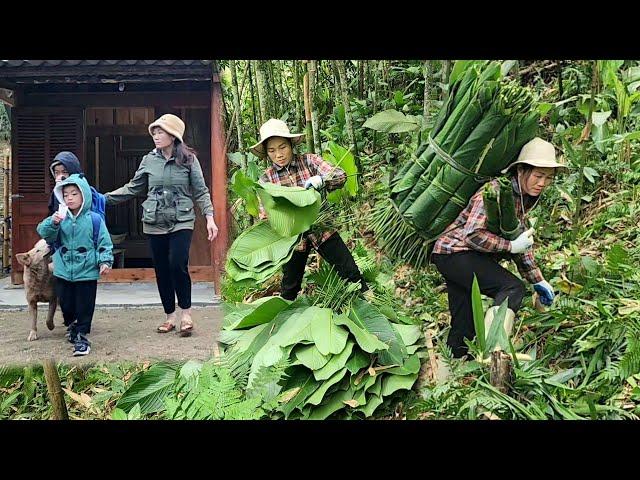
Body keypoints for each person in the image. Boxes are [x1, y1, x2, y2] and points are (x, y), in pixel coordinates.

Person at [431, 137, 566, 359]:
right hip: (455, 253)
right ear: (521, 171)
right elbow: (472, 234)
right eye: (538, 176)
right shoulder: (496, 191)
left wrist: (538, 280)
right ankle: (495, 351)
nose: (542, 183)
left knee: (464, 324)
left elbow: (521, 240)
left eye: (548, 178)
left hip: (457, 257)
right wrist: (510, 246)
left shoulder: (524, 198)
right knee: (512, 288)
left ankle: (452, 378)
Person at [104, 114, 218, 336]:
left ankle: (186, 313)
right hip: (154, 221)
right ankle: (170, 317)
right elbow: (133, 187)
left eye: (160, 132)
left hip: (181, 220)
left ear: (173, 135)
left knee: (177, 263)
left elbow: (201, 191)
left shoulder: (188, 160)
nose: (156, 136)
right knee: (162, 270)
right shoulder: (148, 160)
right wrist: (103, 198)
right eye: (154, 132)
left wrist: (210, 217)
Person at [250, 118, 366, 301]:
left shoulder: (309, 161)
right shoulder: (266, 180)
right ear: (266, 153)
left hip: (322, 229)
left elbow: (339, 175)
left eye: (282, 147)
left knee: (351, 274)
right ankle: (286, 323)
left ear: (291, 144)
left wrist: (322, 181)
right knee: (289, 289)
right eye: (272, 151)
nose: (278, 154)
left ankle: (370, 308)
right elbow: (266, 216)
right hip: (294, 239)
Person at [37, 174, 114, 356]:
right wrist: (53, 222)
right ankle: (71, 325)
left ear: (84, 196)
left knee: (85, 305)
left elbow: (104, 242)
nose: (69, 198)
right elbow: (43, 233)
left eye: (74, 194)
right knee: (66, 303)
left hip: (86, 270)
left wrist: (105, 260)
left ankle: (82, 335)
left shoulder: (94, 219)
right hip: (63, 269)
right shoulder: (59, 218)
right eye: (66, 195)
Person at [48, 151, 83, 216]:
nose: (60, 176)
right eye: (57, 173)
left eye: (64, 172)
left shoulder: (83, 188)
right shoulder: (55, 192)